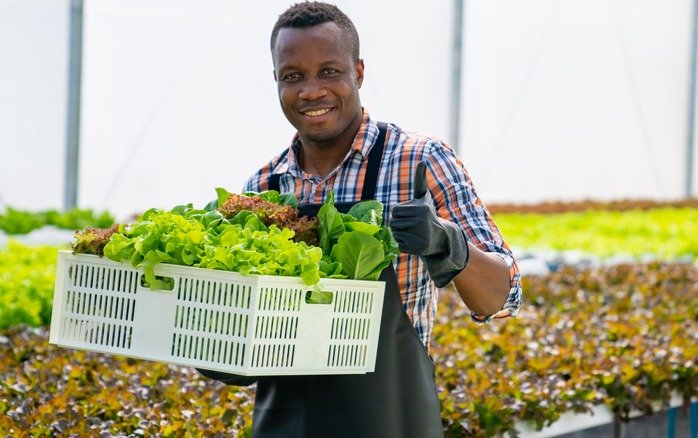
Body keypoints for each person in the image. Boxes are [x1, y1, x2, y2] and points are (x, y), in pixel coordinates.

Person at [198, 2, 522, 437]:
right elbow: (246, 346)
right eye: (292, 76)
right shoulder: (263, 186)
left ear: (359, 72)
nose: (311, 91)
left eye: (329, 71)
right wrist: (217, 340)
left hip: (391, 422)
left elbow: (503, 298)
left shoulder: (418, 162)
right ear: (276, 82)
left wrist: (450, 245)